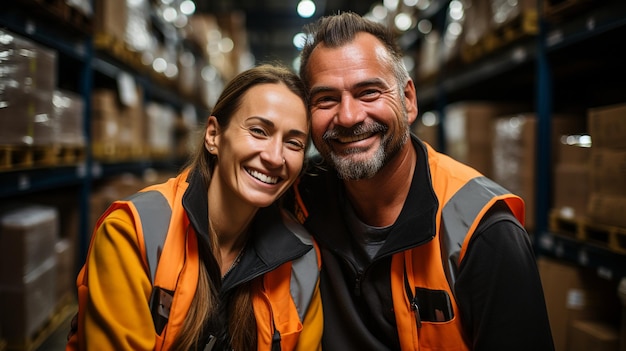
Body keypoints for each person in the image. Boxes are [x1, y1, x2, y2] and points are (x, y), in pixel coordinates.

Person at [285, 12, 554, 350]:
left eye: (368, 92)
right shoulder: (294, 195)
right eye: (326, 99)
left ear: (408, 100)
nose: (349, 116)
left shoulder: (482, 233)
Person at [66, 64, 322, 351]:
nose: (276, 157)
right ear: (213, 136)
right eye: (259, 131)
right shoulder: (134, 232)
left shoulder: (303, 260)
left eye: (294, 143)